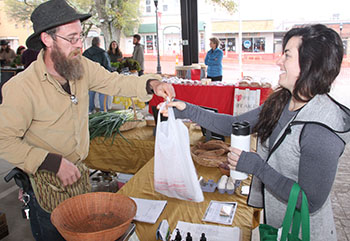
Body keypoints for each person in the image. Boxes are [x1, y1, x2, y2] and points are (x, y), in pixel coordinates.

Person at [0, 0, 175, 240]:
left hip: (79, 175)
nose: (78, 45)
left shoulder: (81, 67)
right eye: (71, 39)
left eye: (80, 37)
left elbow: (115, 82)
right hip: (45, 183)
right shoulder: (22, 88)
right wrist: (53, 163)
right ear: (47, 39)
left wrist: (152, 83)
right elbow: (4, 140)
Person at [160, 24, 350, 240]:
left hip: (304, 231)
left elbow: (309, 201)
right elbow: (233, 124)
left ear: (309, 64)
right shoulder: (282, 102)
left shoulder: (321, 129)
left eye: (287, 55)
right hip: (276, 222)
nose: (279, 61)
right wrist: (186, 109)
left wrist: (258, 168)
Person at [83, 37, 112, 113]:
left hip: (89, 77)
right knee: (102, 94)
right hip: (101, 78)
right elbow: (107, 66)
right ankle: (103, 111)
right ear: (99, 43)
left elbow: (81, 66)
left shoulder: (86, 53)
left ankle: (90, 110)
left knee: (90, 94)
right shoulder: (103, 53)